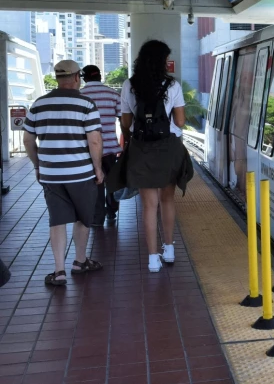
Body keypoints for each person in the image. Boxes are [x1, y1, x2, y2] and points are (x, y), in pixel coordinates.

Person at [23, 60, 105, 286]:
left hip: (51, 175)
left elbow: (28, 140)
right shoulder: (86, 104)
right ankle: (80, 262)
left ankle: (59, 271)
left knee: (56, 221)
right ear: (77, 77)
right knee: (83, 218)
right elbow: (95, 140)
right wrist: (98, 168)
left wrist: (38, 165)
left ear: (58, 78)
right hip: (81, 173)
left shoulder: (39, 105)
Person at [119, 40, 188, 273]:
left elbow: (126, 123)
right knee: (167, 200)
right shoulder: (172, 85)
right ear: (162, 61)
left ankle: (152, 259)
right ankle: (169, 249)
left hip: (141, 148)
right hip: (167, 147)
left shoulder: (129, 85)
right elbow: (179, 122)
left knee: (149, 205)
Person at [80, 65, 121, 226]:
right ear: (100, 76)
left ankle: (98, 217)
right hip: (110, 148)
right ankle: (112, 211)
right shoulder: (112, 94)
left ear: (84, 78)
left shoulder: (80, 96)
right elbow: (122, 119)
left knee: (94, 184)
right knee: (112, 182)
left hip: (87, 150)